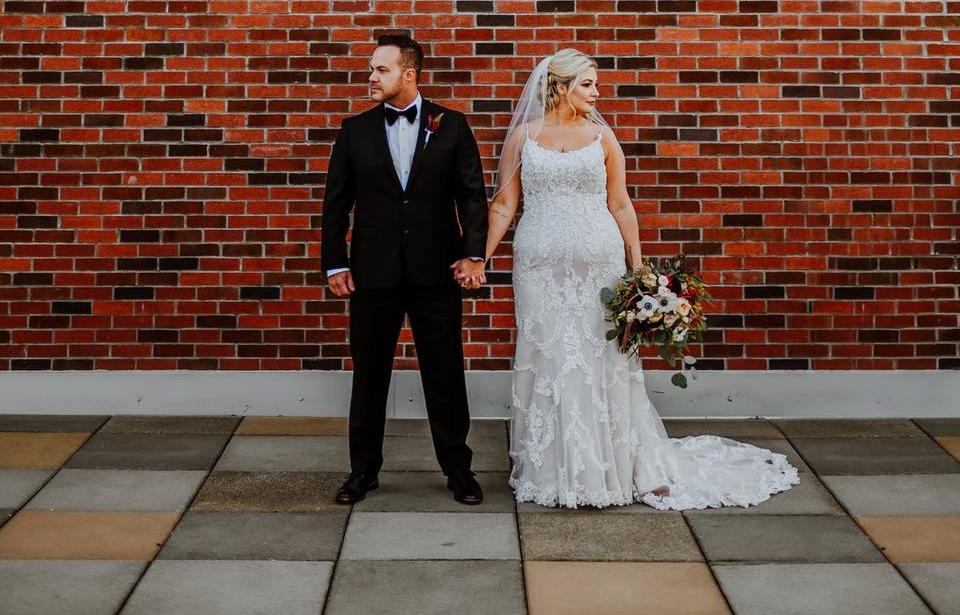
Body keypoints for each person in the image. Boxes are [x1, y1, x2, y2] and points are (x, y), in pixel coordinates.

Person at [469, 49, 800, 509]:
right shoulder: (524, 137)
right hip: (539, 269)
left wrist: (639, 269)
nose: (598, 92)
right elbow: (504, 204)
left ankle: (618, 468)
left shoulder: (603, 138)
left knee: (602, 361)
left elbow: (621, 204)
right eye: (589, 84)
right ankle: (552, 470)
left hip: (599, 265)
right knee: (547, 360)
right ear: (561, 87)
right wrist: (479, 258)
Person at [321, 34, 488, 505]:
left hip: (436, 271)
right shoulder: (354, 131)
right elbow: (336, 204)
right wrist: (335, 261)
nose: (371, 77)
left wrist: (474, 254)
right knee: (369, 375)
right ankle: (362, 472)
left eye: (381, 70)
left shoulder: (451, 126)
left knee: (445, 373)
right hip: (372, 272)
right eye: (372, 69)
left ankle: (459, 471)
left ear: (409, 74)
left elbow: (472, 196)